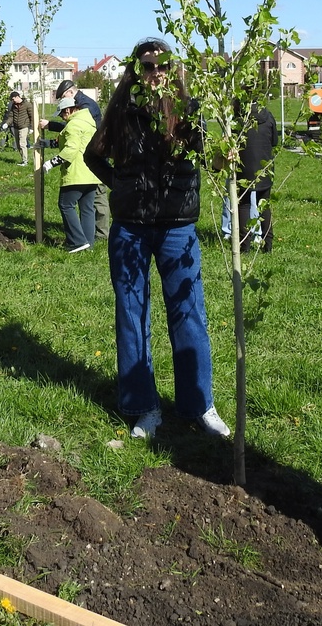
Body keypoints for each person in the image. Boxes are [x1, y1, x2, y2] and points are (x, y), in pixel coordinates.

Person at [84, 38, 229, 440]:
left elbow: (208, 157)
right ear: (136, 69)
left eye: (162, 65)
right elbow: (93, 155)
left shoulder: (188, 110)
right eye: (147, 66)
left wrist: (225, 157)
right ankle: (143, 408)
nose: (155, 72)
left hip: (177, 226)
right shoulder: (122, 111)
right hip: (130, 228)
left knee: (189, 312)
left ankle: (199, 405)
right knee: (132, 314)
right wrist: (121, 187)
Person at [43, 79, 109, 239]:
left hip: (92, 155)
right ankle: (90, 237)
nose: (63, 101)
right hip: (90, 153)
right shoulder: (81, 106)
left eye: (64, 96)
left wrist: (52, 162)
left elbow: (73, 131)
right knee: (89, 203)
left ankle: (100, 234)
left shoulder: (85, 107)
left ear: (71, 93)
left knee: (97, 198)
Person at [221, 102, 278, 253]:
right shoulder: (269, 116)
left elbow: (229, 145)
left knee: (243, 206)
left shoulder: (237, 120)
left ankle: (244, 247)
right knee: (263, 205)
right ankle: (268, 244)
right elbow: (275, 141)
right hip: (265, 167)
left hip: (244, 168)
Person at [8, 91, 35, 166]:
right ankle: (23, 159)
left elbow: (32, 116)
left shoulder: (27, 105)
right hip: (16, 127)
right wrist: (7, 123)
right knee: (18, 145)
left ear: (17, 97)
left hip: (24, 127)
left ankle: (25, 161)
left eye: (13, 99)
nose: (12, 101)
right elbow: (11, 116)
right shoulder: (13, 106)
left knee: (22, 143)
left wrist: (32, 127)